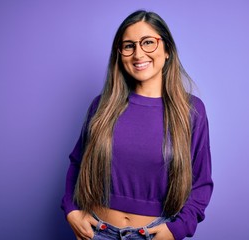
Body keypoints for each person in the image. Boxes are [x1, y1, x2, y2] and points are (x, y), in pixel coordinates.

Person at [61, 10, 213, 240]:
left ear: (168, 50)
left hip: (155, 234)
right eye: (129, 46)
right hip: (96, 233)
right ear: (120, 54)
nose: (138, 53)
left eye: (148, 43)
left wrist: (178, 229)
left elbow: (201, 183)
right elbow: (78, 162)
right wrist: (71, 209)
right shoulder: (102, 105)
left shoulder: (191, 111)